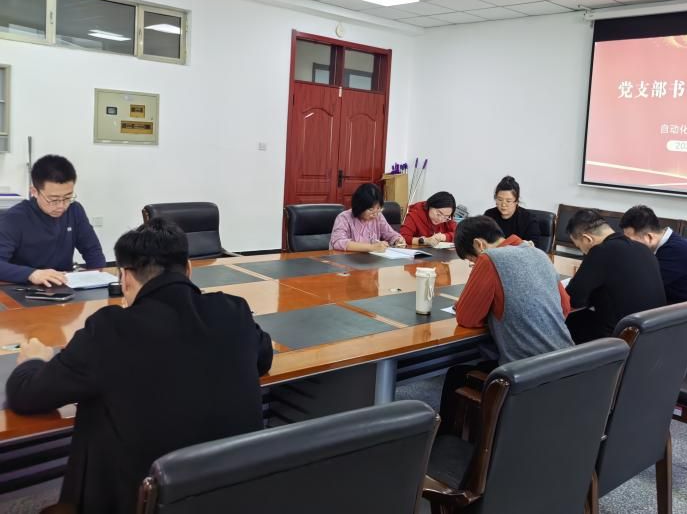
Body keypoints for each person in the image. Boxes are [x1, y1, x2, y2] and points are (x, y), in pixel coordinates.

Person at [6, 219, 273, 513]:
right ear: (188, 269)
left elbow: (26, 394)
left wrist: (34, 361)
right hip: (232, 495)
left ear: (125, 278)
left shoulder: (110, 330)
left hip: (139, 500)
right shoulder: (234, 311)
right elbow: (264, 359)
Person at [439, 216, 573, 423]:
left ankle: (449, 439)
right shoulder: (538, 253)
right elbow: (565, 308)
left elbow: (466, 318)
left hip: (525, 372)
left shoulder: (489, 258)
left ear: (479, 245)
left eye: (471, 261)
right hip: (568, 363)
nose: (474, 265)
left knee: (456, 374)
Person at [620, 205, 687, 353]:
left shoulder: (675, 251)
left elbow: (641, 289)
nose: (628, 246)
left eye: (631, 241)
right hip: (676, 323)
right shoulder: (667, 245)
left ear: (649, 237)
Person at [0, 155, 105, 286]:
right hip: (24, 287)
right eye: (53, 199)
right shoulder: (14, 218)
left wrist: (99, 281)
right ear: (34, 192)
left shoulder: (74, 210)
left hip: (63, 285)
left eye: (67, 197)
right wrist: (31, 274)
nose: (61, 206)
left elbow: (93, 251)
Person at [564, 209, 666, 343]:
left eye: (579, 246)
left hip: (621, 338)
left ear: (587, 239)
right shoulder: (643, 249)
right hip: (651, 333)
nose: (583, 252)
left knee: (567, 320)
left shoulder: (600, 252)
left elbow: (573, 299)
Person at [330, 183, 406, 251]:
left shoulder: (378, 216)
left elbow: (390, 234)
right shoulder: (344, 218)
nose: (375, 214)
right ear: (360, 207)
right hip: (347, 259)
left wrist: (398, 240)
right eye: (370, 209)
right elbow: (337, 242)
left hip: (372, 260)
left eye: (378, 208)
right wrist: (371, 247)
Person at [483, 176, 543, 249]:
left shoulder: (529, 219)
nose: (503, 204)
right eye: (500, 200)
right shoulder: (489, 215)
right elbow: (481, 240)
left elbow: (533, 248)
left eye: (508, 201)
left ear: (516, 201)